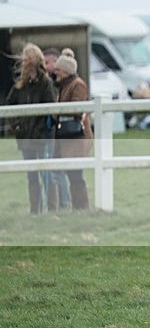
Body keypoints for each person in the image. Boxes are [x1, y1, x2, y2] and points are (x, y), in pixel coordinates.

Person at [2, 43, 58, 214]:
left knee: (46, 174)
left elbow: (52, 109)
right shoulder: (20, 86)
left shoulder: (45, 83)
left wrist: (41, 128)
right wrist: (17, 125)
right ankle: (35, 209)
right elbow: (9, 105)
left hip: (41, 137)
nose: (23, 62)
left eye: (26, 59)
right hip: (25, 137)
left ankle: (52, 208)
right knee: (31, 176)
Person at [53, 49, 92, 209]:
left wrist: (57, 110)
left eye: (58, 69)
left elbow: (77, 109)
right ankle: (77, 206)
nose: (56, 72)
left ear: (66, 71)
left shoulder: (77, 85)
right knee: (72, 174)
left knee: (76, 175)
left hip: (76, 136)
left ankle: (81, 206)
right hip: (68, 136)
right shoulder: (65, 85)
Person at [42, 46, 68, 209]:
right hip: (52, 131)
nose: (44, 66)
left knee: (57, 170)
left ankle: (62, 203)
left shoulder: (54, 83)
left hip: (55, 132)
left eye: (46, 62)